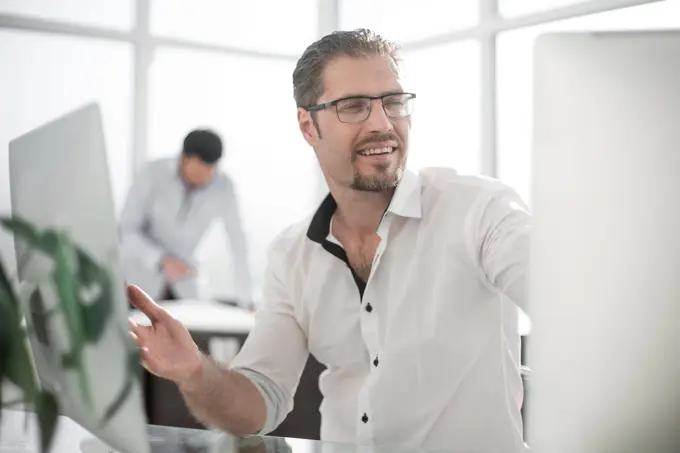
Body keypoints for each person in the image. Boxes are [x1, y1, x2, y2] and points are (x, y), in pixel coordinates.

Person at [128, 29, 531, 453]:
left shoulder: (481, 211)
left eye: (393, 102)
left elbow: (567, 300)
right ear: (308, 125)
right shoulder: (292, 256)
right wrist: (193, 371)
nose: (382, 124)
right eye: (354, 106)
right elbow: (258, 401)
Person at [120, 129, 253, 307]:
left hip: (184, 289)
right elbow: (126, 231)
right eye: (198, 171)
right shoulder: (151, 175)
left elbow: (237, 241)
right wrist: (161, 260)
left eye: (210, 170)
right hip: (138, 282)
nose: (205, 179)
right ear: (183, 159)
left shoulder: (223, 187)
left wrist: (246, 300)